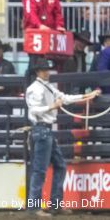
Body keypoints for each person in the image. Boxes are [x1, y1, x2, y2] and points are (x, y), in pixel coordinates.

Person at [25, 58, 100, 217]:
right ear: (38, 72)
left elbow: (65, 98)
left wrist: (86, 96)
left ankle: (54, 204)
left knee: (57, 166)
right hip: (41, 130)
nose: (47, 71)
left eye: (48, 69)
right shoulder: (35, 89)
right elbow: (34, 110)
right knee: (40, 169)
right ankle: (35, 206)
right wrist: (52, 106)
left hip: (45, 132)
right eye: (44, 69)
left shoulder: (48, 87)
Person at [23, 0, 65, 82]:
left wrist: (59, 25)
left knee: (52, 63)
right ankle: (29, 87)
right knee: (34, 63)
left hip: (49, 35)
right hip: (34, 35)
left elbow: (58, 14)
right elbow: (29, 13)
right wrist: (39, 25)